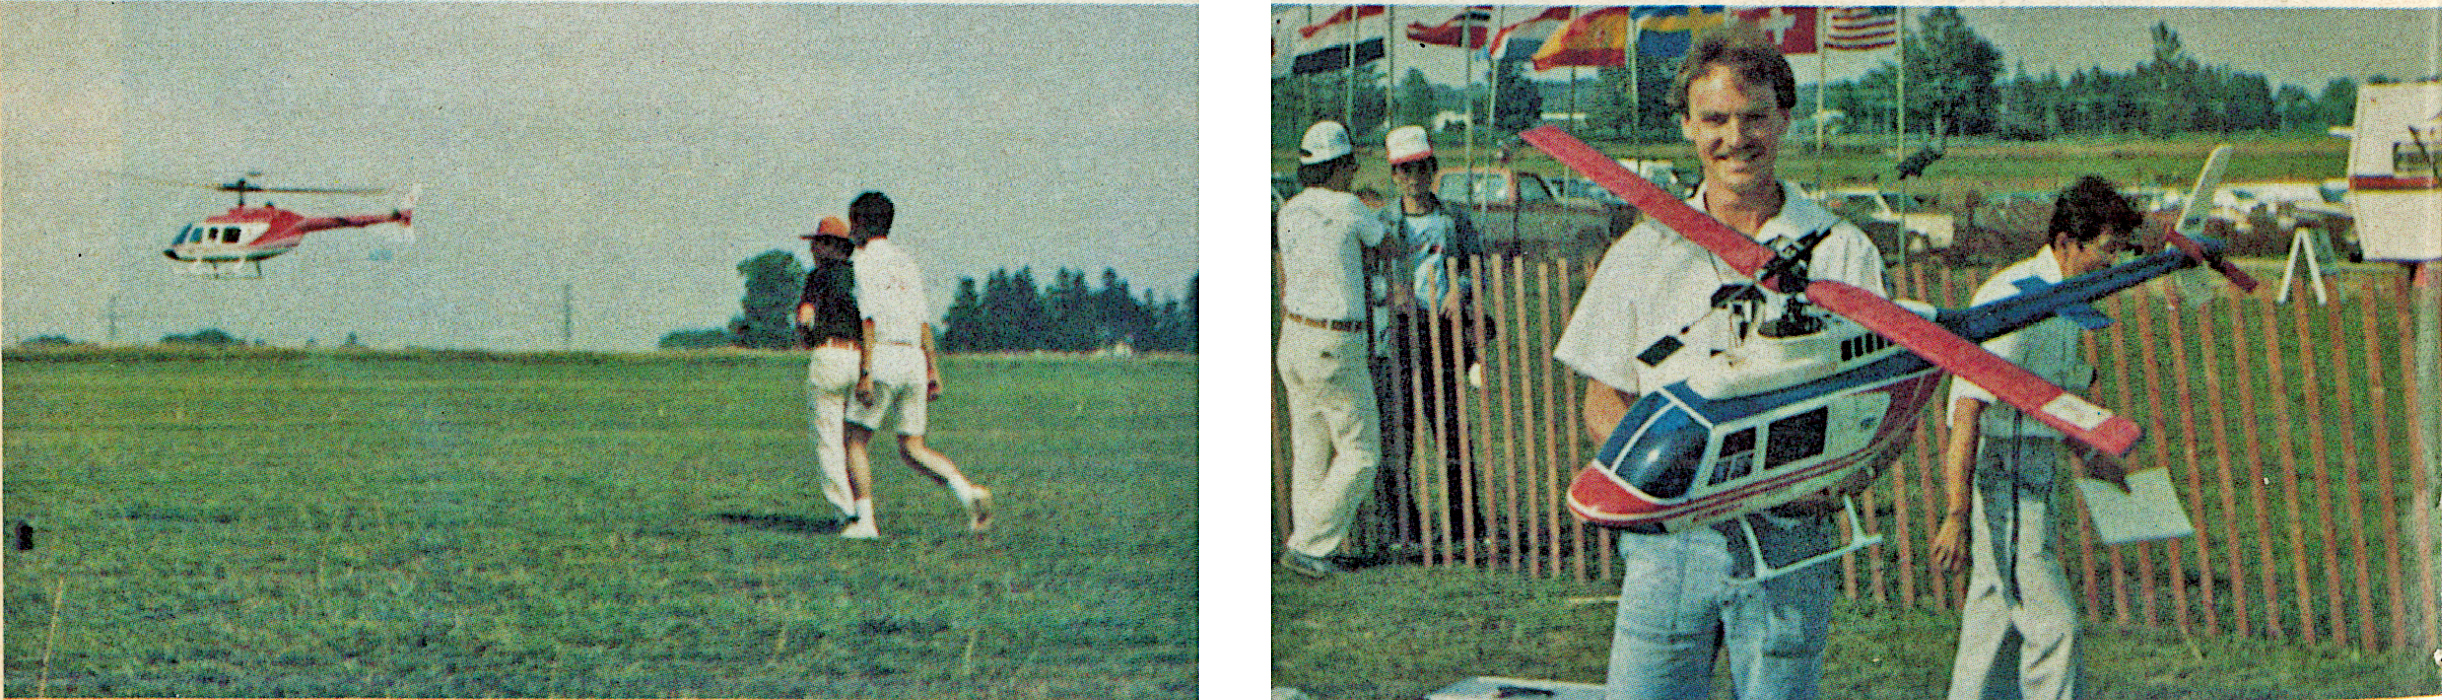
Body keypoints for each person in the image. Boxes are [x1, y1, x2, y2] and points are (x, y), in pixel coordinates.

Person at [1549, 24, 1888, 700]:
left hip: (1791, 539)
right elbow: (1602, 397)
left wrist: (1847, 476)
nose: (1736, 138)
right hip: (1669, 545)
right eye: (1716, 120)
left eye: (1755, 117)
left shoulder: (1841, 251)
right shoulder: (1646, 251)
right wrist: (1658, 482)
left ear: (1785, 118)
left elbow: (1885, 397)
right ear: (1686, 126)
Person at [1931, 176, 2138, 700]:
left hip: (2036, 474)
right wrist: (1957, 513)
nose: (2112, 264)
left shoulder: (2067, 301)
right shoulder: (2013, 302)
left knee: (1994, 622)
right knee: (2055, 629)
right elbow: (1967, 407)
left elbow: (2052, 401)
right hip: (2007, 476)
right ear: (2067, 243)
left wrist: (2091, 457)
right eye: (2106, 250)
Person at [839, 191, 992, 539]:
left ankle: (865, 522)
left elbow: (869, 321)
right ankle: (967, 493)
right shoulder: (907, 263)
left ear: (861, 223)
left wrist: (865, 372)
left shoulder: (860, 263)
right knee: (913, 448)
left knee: (855, 440)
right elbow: (923, 321)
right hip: (913, 359)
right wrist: (932, 368)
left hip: (884, 356)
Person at [1276, 120, 1389, 578]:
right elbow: (1388, 245)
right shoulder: (1350, 206)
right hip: (1334, 340)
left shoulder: (1290, 210)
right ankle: (1308, 544)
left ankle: (1312, 544)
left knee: (1312, 447)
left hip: (1294, 337)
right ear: (1340, 166)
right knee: (1362, 451)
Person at [1371, 124, 1490, 544]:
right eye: (1404, 170)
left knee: (1450, 428)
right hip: (1399, 333)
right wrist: (1392, 290)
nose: (1413, 177)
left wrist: (1460, 290)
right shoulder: (1382, 221)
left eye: (1421, 168)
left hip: (1441, 330)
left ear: (1432, 170)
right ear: (1394, 175)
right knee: (1399, 433)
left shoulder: (1453, 217)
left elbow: (1478, 268)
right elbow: (1369, 278)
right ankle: (1405, 527)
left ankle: (1465, 526)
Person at [797, 216, 864, 528]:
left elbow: (805, 319)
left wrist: (806, 338)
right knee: (854, 441)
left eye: (818, 242)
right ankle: (864, 508)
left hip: (830, 356)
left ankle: (845, 512)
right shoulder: (860, 276)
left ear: (829, 247)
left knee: (828, 439)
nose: (813, 248)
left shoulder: (817, 277)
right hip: (861, 359)